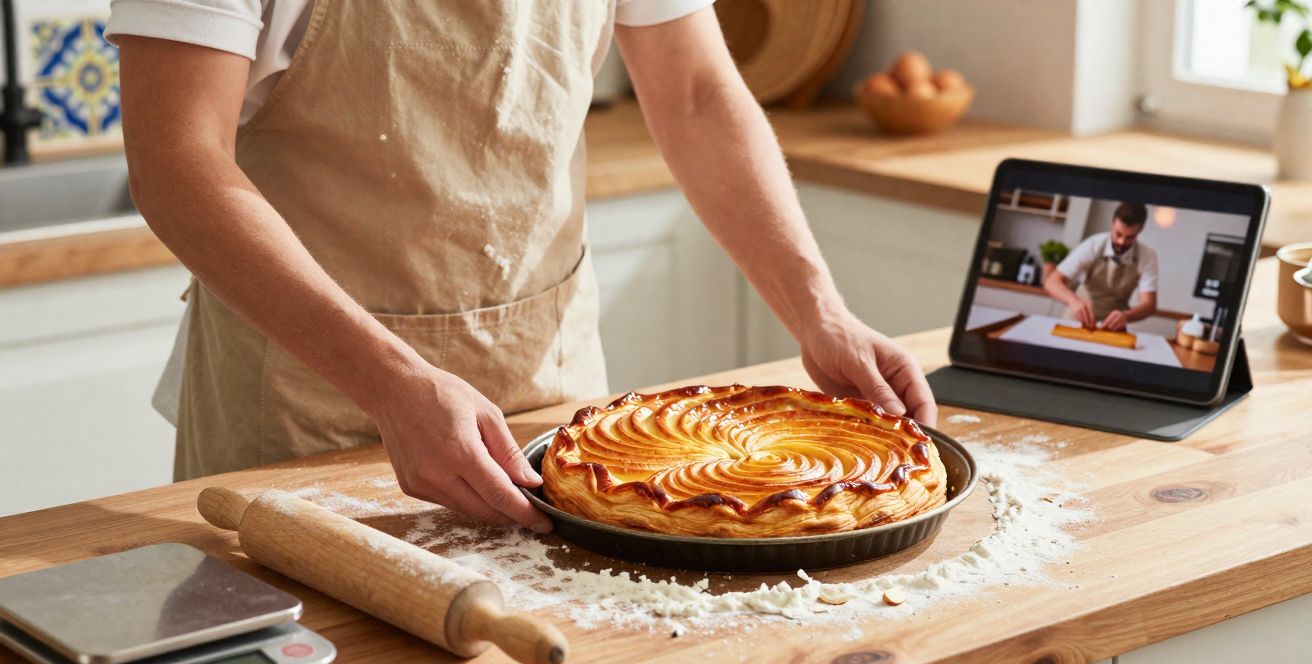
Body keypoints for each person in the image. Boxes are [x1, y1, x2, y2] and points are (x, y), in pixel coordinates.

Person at [107, 0, 937, 534]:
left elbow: (695, 95)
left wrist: (820, 312)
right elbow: (178, 163)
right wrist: (392, 382)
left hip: (558, 402)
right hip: (304, 406)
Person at [1043, 202, 1159, 332]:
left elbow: (1149, 305)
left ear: (1140, 230)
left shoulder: (1147, 256)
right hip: (1077, 321)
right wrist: (1073, 301)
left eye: (1130, 237)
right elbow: (1051, 282)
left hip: (1113, 329)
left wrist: (1127, 316)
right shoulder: (1093, 244)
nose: (1121, 242)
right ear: (1112, 224)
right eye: (1118, 234)